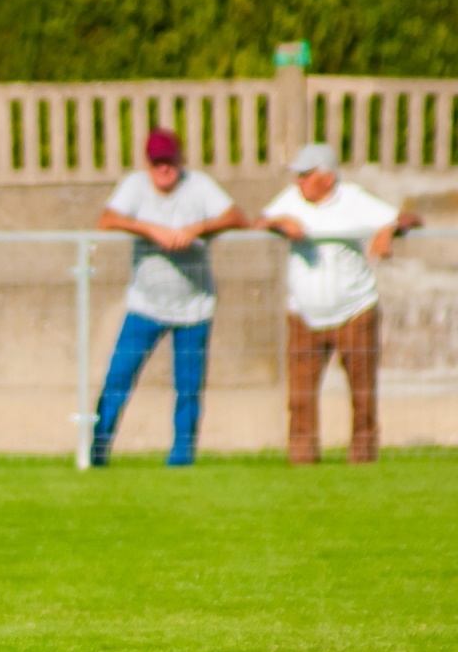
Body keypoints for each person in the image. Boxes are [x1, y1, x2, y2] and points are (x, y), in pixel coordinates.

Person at [257, 143, 422, 464]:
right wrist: (280, 223)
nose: (299, 182)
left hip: (355, 312)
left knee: (362, 394)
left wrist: (389, 229)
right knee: (300, 398)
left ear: (328, 178)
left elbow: (409, 218)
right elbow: (259, 221)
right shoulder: (291, 201)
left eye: (306, 176)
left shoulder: (354, 198)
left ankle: (362, 460)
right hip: (304, 315)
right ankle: (303, 461)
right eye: (299, 176)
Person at [91, 128, 247, 466]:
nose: (164, 169)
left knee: (188, 389)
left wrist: (194, 230)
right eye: (157, 163)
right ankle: (96, 454)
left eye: (169, 162)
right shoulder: (134, 186)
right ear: (147, 164)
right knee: (117, 379)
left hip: (194, 308)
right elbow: (107, 220)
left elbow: (236, 217)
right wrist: (153, 229)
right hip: (144, 306)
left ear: (180, 161)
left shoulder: (199, 185)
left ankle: (181, 459)